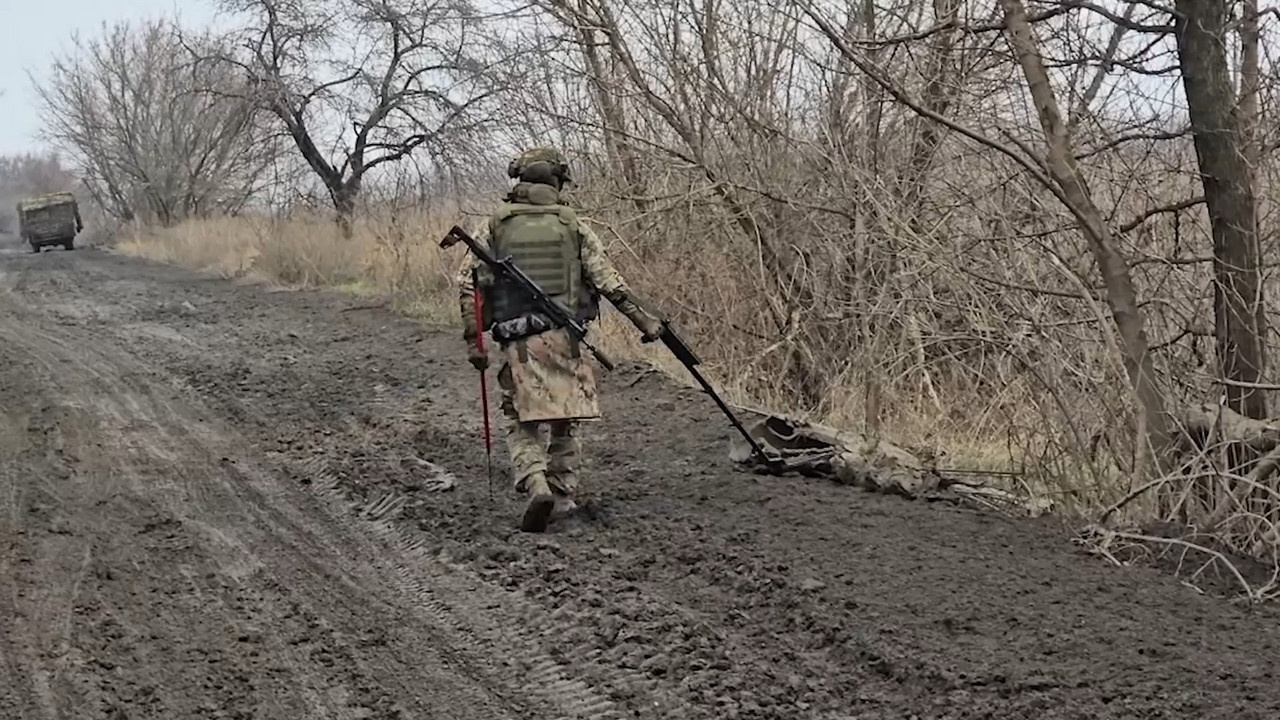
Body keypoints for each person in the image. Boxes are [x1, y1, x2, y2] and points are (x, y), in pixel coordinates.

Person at [454, 147, 664, 532]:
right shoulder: (574, 227)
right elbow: (609, 283)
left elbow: (469, 286)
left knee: (520, 419)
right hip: (566, 336)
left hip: (517, 340)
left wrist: (474, 342)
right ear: (555, 181)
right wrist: (644, 321)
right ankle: (562, 495)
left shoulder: (494, 227)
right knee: (565, 418)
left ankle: (535, 483)